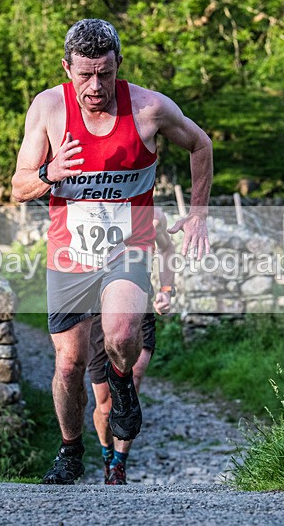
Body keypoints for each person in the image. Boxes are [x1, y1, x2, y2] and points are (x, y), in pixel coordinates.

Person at [11, 18, 213, 485]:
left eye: (105, 73)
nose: (95, 85)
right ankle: (69, 450)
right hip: (69, 253)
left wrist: (198, 213)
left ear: (118, 65)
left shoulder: (149, 108)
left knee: (122, 336)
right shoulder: (47, 109)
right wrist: (48, 173)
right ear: (67, 68)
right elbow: (19, 185)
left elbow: (200, 143)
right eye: (84, 74)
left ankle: (121, 387)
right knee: (69, 363)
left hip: (130, 246)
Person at [87, 207, 175, 485]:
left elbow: (168, 250)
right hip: (95, 312)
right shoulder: (91, 206)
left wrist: (166, 290)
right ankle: (106, 454)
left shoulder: (154, 215)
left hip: (138, 310)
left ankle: (118, 466)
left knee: (132, 382)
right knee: (103, 405)